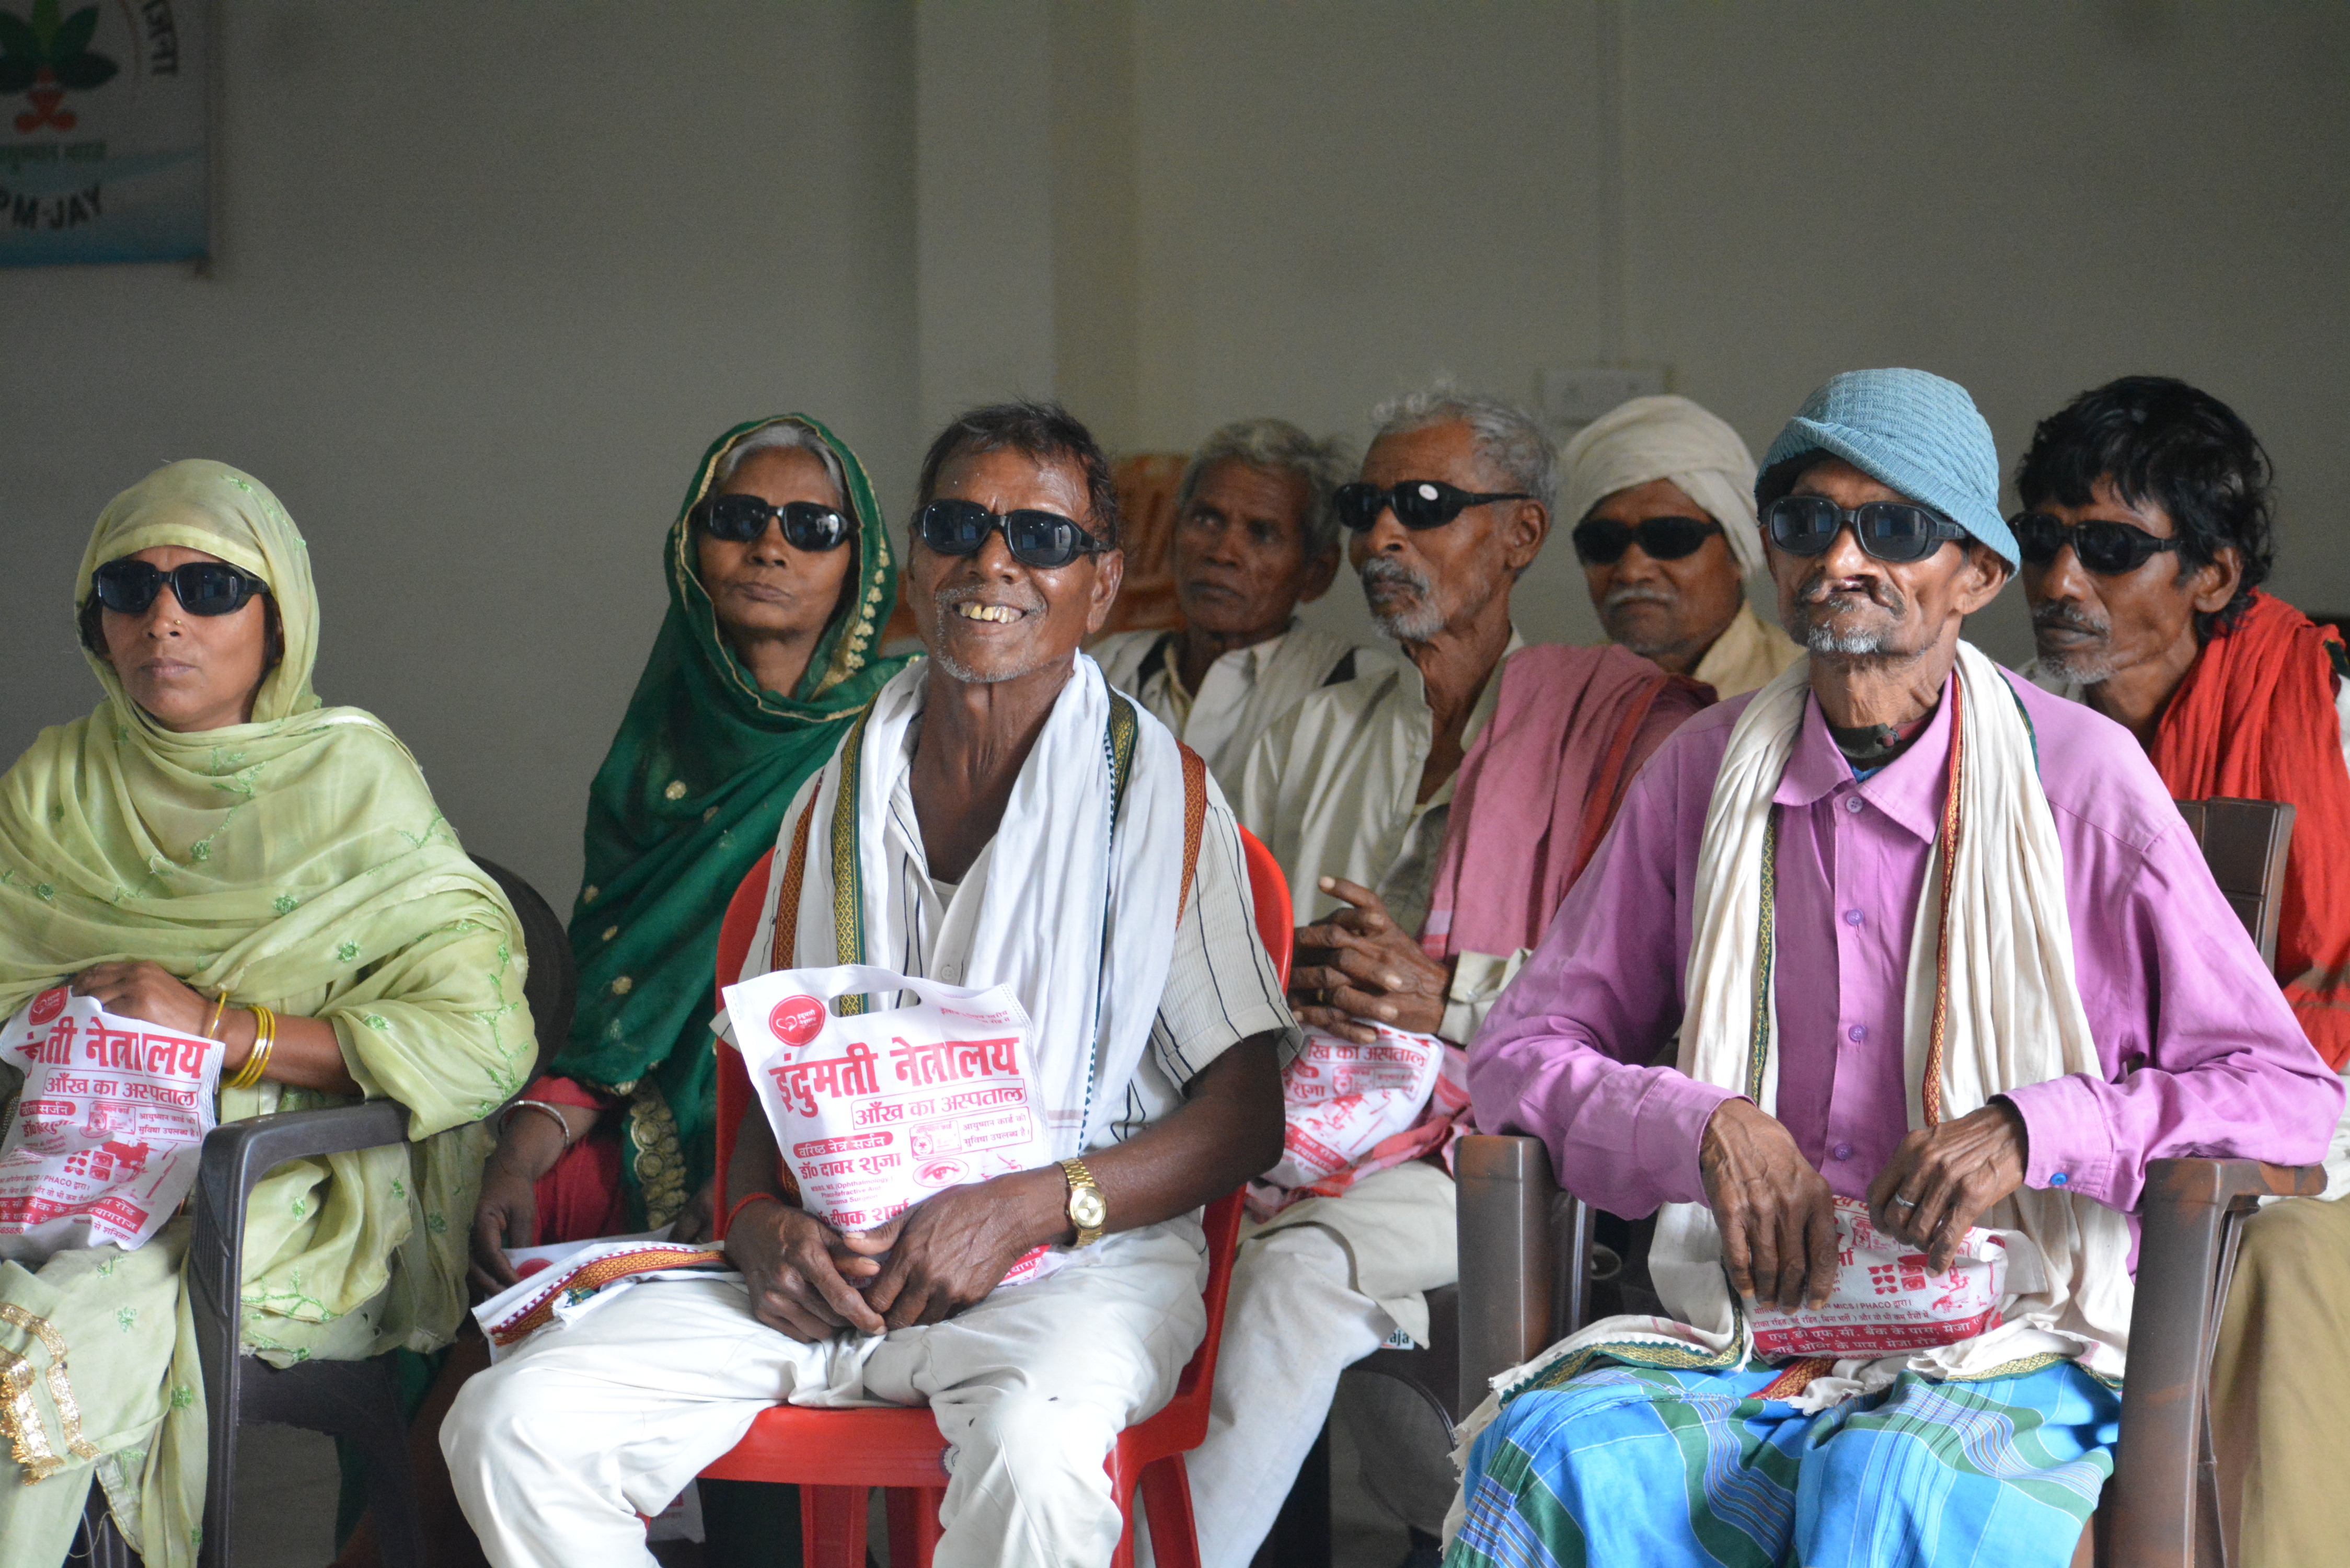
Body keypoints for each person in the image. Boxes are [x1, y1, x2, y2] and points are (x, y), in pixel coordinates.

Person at [1450, 367, 2343, 1568]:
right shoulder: (1703, 775)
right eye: (1808, 521)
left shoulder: (2079, 782)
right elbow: (1516, 1056)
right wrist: (1702, 1121)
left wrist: (2036, 1127)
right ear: (1773, 552)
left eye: (1898, 526)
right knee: (1555, 1451)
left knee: (1887, 1479)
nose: (1843, 559)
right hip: (1752, 1324)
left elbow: (2285, 1090)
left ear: (1975, 574)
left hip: (2014, 1328)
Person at [444, 402, 1293, 1568]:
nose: (992, 561)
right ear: (916, 561)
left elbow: (1247, 1119)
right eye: (959, 525)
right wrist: (753, 1226)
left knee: (1040, 1463)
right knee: (508, 1425)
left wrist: (1022, 1209)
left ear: (1099, 587)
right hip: (832, 1268)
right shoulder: (835, 791)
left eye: (1040, 538)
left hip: (1070, 1271)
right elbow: (763, 1086)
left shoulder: (1163, 803)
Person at [1203, 389, 1709, 1565]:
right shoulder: (1311, 729)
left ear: (1519, 537)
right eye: (1367, 508)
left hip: (1490, 1142)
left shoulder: (1623, 729)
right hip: (1287, 1114)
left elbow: (1657, 1000)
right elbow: (1218, 944)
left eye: (1425, 508)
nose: (1384, 538)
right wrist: (1302, 979)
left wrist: (1447, 997)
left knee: (1289, 1285)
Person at [0, 462, 536, 1568]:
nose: (163, 621)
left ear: (278, 617)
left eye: (208, 588)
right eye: (127, 589)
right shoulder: (56, 784)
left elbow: (480, 1037)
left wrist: (218, 1027)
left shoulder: (352, 779)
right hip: (58, 1162)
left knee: (57, 1332)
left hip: (274, 1186)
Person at [2010, 376, 2350, 1567]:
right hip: (2084, 1126)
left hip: (2317, 1135)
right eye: (2041, 541)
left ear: (2210, 577)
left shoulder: (2330, 709)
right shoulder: (2010, 741)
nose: (2059, 582)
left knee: (2287, 1247)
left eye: (2110, 550)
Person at [1092, 417, 1372, 795]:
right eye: (1207, 519)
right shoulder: (1106, 672)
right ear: (1174, 536)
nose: (1223, 553)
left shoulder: (1356, 688)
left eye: (1261, 533)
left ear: (1316, 573)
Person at [1564, 393, 1802, 697]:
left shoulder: (1805, 700)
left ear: (1737, 551)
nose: (1632, 571)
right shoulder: (1563, 701)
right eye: (1603, 541)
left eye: (1670, 537)